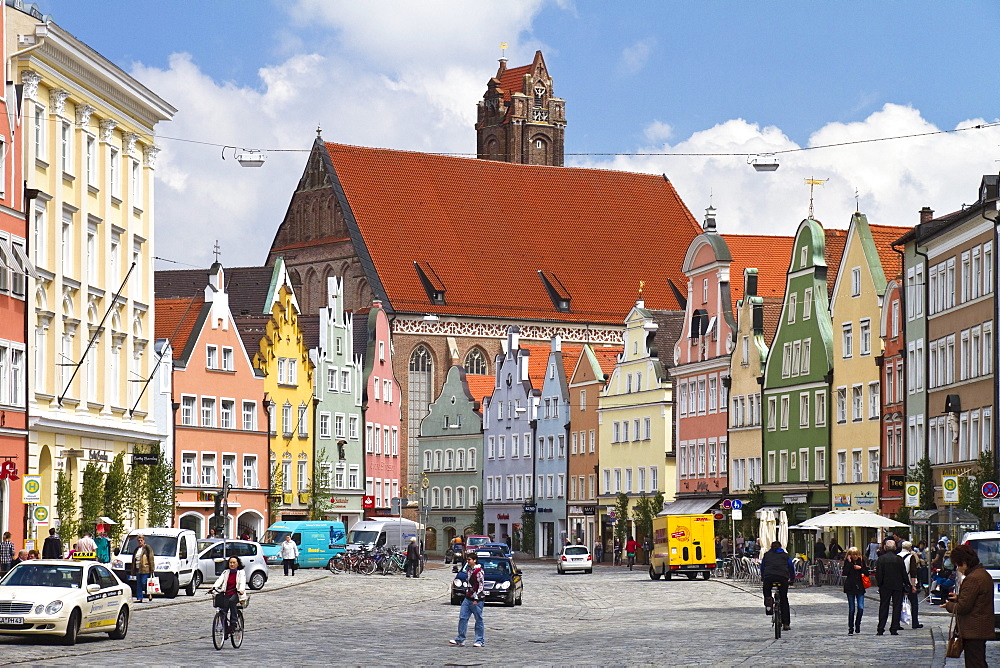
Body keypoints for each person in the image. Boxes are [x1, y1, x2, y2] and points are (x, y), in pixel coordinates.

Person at [944, 544, 994, 667]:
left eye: (958, 565)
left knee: (974, 662)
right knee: (978, 660)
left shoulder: (973, 578)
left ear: (964, 563)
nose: (958, 569)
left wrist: (948, 605)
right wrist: (959, 597)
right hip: (980, 627)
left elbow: (963, 607)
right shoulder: (983, 574)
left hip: (974, 629)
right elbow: (976, 598)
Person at [449, 552, 485, 647]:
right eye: (467, 560)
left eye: (469, 560)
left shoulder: (479, 571)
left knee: (478, 619)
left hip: (476, 599)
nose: (467, 561)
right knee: (463, 617)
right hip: (467, 598)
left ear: (474, 560)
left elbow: (481, 585)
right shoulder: (468, 570)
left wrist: (477, 598)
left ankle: (479, 640)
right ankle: (461, 639)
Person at [875, 539, 907, 635]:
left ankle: (881, 628)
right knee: (897, 607)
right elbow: (903, 573)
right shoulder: (898, 559)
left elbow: (878, 574)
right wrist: (907, 584)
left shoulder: (881, 559)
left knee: (884, 606)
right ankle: (894, 628)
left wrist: (879, 584)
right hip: (897, 586)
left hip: (885, 586)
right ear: (895, 548)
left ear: (885, 547)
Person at [761, 541, 794, 631]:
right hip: (782, 578)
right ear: (780, 547)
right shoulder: (785, 555)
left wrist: (763, 577)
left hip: (769, 578)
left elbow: (762, 567)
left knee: (766, 590)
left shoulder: (767, 555)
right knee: (783, 598)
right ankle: (786, 623)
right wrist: (792, 579)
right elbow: (791, 567)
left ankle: (768, 602)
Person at [212, 555, 246, 637]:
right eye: (230, 562)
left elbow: (242, 582)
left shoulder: (241, 572)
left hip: (236, 593)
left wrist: (241, 590)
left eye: (234, 562)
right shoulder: (226, 572)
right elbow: (219, 580)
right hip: (226, 593)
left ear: (238, 564)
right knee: (222, 611)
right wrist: (213, 587)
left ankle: (233, 623)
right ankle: (226, 630)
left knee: (231, 601)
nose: (232, 564)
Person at [843, 546, 869, 635]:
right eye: (853, 554)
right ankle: (851, 627)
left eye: (856, 554)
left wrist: (860, 568)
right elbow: (845, 572)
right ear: (849, 555)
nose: (855, 556)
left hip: (860, 587)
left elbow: (867, 573)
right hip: (850, 587)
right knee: (852, 609)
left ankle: (858, 624)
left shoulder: (861, 561)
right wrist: (850, 563)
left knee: (861, 607)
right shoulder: (847, 562)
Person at [900, 541, 924, 630]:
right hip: (909, 582)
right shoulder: (911, 557)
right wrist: (913, 585)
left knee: (898, 603)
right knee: (914, 603)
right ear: (910, 548)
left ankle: (897, 622)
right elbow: (913, 572)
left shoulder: (897, 556)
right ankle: (915, 622)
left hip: (899, 583)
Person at [132, 534, 155, 603]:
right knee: (138, 584)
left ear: (144, 540)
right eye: (139, 540)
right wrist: (132, 569)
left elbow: (151, 558)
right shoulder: (136, 549)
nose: (140, 542)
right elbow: (134, 559)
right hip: (138, 568)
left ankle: (149, 593)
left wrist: (152, 568)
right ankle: (139, 597)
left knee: (143, 582)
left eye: (141, 540)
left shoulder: (147, 548)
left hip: (145, 568)